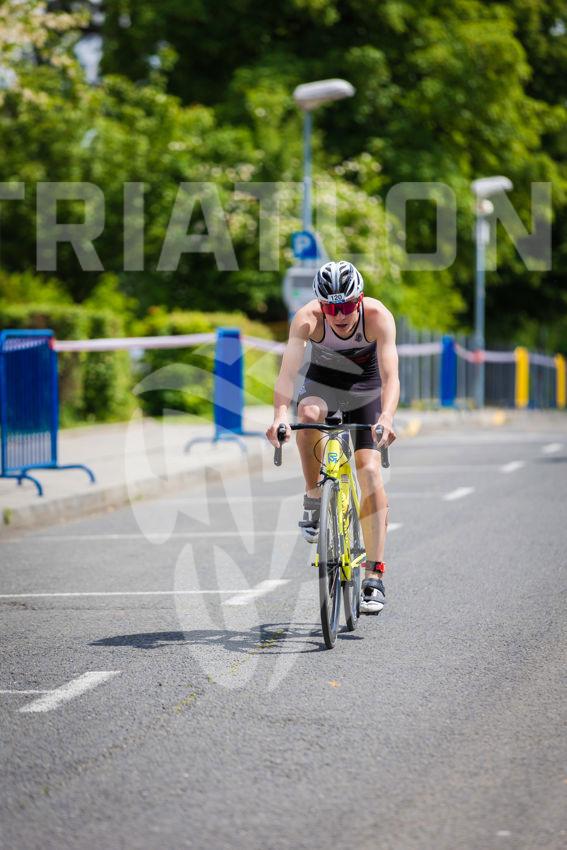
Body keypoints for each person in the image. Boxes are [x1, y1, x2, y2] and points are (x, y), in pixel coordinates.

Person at [266, 260, 399, 613]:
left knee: (368, 470)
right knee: (308, 416)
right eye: (331, 308)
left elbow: (391, 377)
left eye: (346, 306)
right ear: (320, 305)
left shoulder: (377, 316)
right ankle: (314, 497)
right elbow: (287, 375)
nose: (339, 315)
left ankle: (374, 575)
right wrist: (279, 416)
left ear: (360, 300)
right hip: (322, 383)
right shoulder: (307, 319)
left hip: (366, 389)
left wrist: (386, 418)